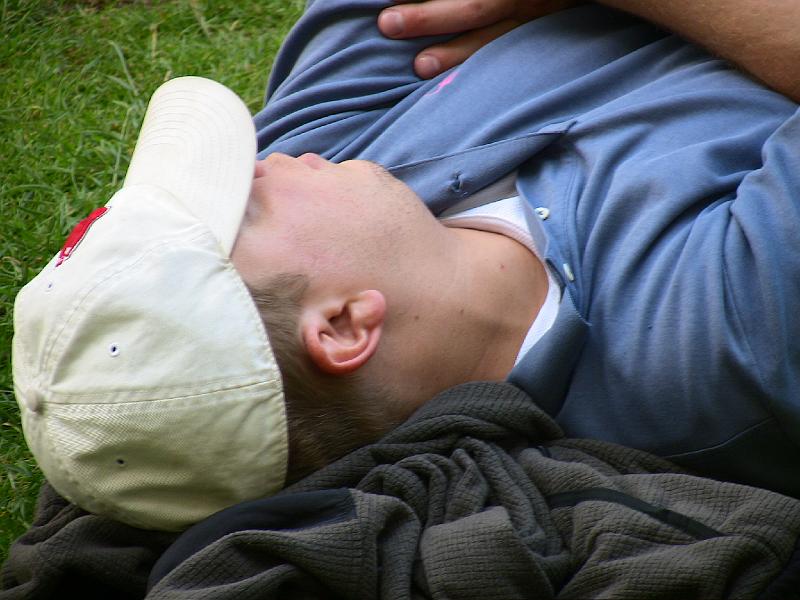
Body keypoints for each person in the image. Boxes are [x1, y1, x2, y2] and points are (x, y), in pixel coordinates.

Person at [10, 0, 800, 536]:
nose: (258, 163)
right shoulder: (725, 346)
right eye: (236, 210)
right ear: (345, 325)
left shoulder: (330, 153)